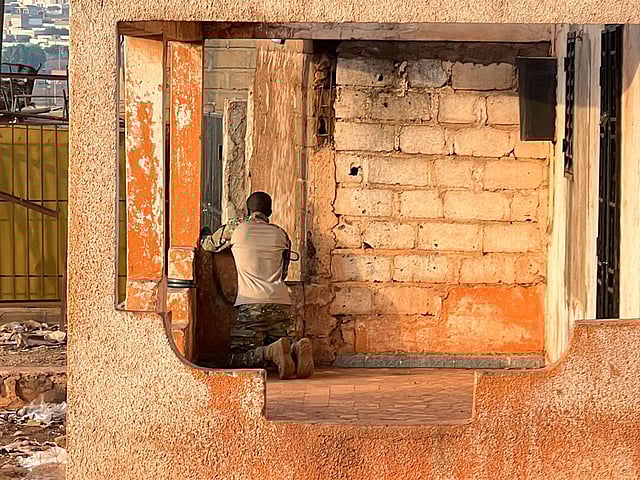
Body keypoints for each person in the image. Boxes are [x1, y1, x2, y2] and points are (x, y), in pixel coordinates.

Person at [200, 192, 314, 379]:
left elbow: (208, 245)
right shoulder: (281, 234)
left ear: (247, 210)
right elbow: (284, 272)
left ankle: (270, 352)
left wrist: (205, 234)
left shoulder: (236, 228)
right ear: (270, 211)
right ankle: (295, 350)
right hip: (281, 304)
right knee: (280, 347)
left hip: (251, 305)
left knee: (236, 360)